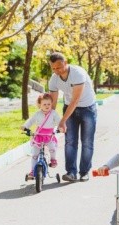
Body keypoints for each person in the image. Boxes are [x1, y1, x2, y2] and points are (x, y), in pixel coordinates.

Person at [48, 52, 97, 182]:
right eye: (53, 68)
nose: (56, 71)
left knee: (87, 142)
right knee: (70, 141)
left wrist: (62, 121)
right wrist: (48, 120)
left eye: (58, 67)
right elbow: (52, 102)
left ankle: (84, 172)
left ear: (65, 63)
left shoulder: (77, 73)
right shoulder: (54, 78)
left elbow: (75, 100)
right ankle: (71, 173)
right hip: (69, 108)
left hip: (87, 108)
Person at [21, 93, 61, 179]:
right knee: (35, 154)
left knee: (52, 148)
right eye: (44, 104)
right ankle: (32, 171)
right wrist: (25, 126)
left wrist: (60, 127)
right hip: (38, 136)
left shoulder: (53, 113)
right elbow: (30, 121)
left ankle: (53, 160)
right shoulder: (37, 114)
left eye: (49, 104)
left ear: (51, 104)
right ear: (40, 105)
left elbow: (59, 121)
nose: (47, 106)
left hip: (49, 136)